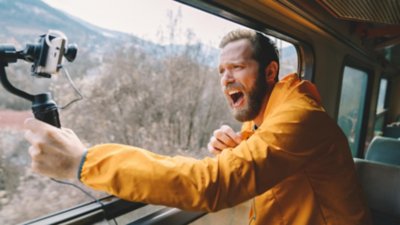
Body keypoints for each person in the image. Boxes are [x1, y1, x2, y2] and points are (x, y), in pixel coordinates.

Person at [24, 29, 372, 225]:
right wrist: (238, 151)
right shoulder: (266, 120)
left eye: (235, 67)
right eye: (221, 71)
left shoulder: (300, 117)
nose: (226, 79)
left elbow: (214, 184)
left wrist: (85, 162)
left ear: (269, 73)